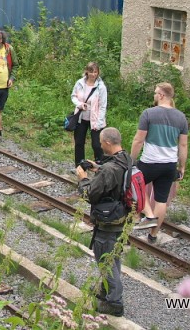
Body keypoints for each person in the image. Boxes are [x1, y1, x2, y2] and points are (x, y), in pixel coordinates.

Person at [76, 127, 130, 317]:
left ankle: (114, 302)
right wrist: (97, 167)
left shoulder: (109, 170)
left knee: (106, 259)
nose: (99, 144)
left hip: (108, 221)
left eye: (100, 141)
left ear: (107, 143)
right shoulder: (126, 159)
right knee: (113, 255)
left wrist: (83, 178)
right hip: (121, 217)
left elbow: (90, 194)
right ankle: (104, 290)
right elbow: (113, 176)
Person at [131, 82, 188, 243]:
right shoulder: (181, 117)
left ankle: (134, 223)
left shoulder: (149, 114)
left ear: (162, 95)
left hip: (149, 162)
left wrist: (131, 160)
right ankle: (153, 235)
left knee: (132, 188)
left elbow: (138, 140)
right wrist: (182, 167)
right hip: (169, 165)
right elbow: (183, 145)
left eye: (156, 93)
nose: (154, 96)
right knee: (161, 200)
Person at [70, 62, 108, 165]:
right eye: (91, 71)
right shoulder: (80, 83)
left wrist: (99, 123)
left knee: (97, 145)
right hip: (81, 117)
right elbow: (73, 96)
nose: (93, 74)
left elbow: (103, 106)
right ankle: (79, 166)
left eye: (95, 72)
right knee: (79, 143)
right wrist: (79, 104)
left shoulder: (101, 87)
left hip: (95, 120)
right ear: (87, 71)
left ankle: (99, 166)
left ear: (98, 73)